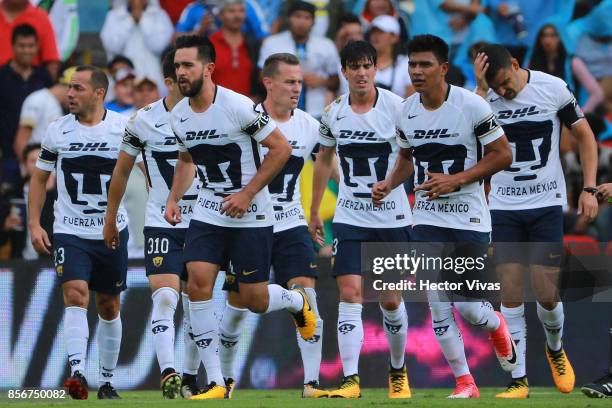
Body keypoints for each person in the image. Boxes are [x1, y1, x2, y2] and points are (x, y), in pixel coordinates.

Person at [166, 35, 315, 399]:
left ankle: (297, 301)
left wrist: (248, 194)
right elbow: (187, 160)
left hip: (252, 216)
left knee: (255, 300)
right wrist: (173, 197)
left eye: (188, 65)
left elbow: (281, 149)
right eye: (177, 66)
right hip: (208, 212)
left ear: (209, 68)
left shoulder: (239, 107)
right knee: (197, 284)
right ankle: (216, 381)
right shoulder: (178, 115)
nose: (181, 73)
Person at [373, 34, 517, 398]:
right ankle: (465, 381)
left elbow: (502, 155)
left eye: (424, 64)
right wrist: (390, 184)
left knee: (469, 308)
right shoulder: (405, 110)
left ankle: (496, 323)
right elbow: (407, 158)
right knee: (437, 303)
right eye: (412, 64)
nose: (417, 71)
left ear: (444, 68)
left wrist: (457, 179)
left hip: (469, 218)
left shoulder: (471, 106)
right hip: (426, 219)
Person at [474, 44, 599, 398]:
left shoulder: (552, 87)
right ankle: (518, 379)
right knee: (511, 290)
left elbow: (585, 136)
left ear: (515, 65)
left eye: (505, 84)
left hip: (546, 203)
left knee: (545, 292)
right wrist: (482, 90)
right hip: (503, 205)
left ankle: (555, 348)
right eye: (495, 87)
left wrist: (588, 188)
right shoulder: (481, 100)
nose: (503, 92)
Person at [217, 53, 326, 398]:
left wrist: (315, 211)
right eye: (290, 82)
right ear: (268, 83)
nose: (297, 89)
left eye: (300, 82)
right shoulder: (245, 119)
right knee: (240, 307)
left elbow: (326, 163)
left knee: (308, 296)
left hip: (291, 223)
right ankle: (227, 379)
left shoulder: (310, 125)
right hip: (249, 226)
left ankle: (312, 383)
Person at [309, 40, 412, 399]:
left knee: (389, 299)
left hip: (392, 217)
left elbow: (411, 158)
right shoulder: (334, 112)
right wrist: (314, 212)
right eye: (354, 66)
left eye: (367, 65)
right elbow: (323, 160)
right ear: (344, 72)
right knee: (349, 293)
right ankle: (350, 380)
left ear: (375, 69)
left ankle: (398, 369)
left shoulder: (398, 108)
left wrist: (392, 183)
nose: (361, 72)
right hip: (351, 217)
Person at [103, 50, 202, 399]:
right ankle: (169, 372)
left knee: (199, 303)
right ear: (170, 81)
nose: (190, 78)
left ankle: (192, 376)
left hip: (204, 221)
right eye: (182, 73)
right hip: (162, 220)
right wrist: (110, 217)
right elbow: (122, 170)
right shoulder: (142, 121)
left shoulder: (211, 115)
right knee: (164, 297)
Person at [28, 65, 129, 400]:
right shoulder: (57, 131)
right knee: (74, 293)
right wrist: (34, 222)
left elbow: (147, 171)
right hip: (69, 230)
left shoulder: (123, 129)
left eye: (78, 88)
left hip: (111, 229)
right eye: (69, 88)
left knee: (109, 305)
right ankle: (78, 372)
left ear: (99, 93)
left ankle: (108, 380)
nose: (70, 94)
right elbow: (40, 179)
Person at [258, 1, 339, 119]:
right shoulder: (271, 43)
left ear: (313, 21)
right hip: (279, 110)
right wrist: (284, 79)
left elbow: (336, 81)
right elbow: (260, 77)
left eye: (307, 17)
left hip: (317, 112)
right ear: (289, 18)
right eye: (297, 16)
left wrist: (322, 82)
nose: (301, 22)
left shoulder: (326, 45)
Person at [0, 23, 52, 191]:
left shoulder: (44, 76)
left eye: (31, 46)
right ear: (13, 46)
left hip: (40, 157)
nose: (27, 50)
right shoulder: (2, 76)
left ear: (37, 47)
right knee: (11, 207)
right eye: (22, 46)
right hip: (7, 155)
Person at [528, 24, 604, 114]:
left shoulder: (572, 62)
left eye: (552, 35)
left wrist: (580, 115)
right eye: (544, 36)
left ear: (560, 38)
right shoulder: (532, 63)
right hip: (542, 114)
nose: (547, 40)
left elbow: (597, 94)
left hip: (568, 114)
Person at [100, 0, 174, 90]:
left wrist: (142, 20)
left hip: (153, 78)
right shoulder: (113, 15)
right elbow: (113, 46)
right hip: (124, 79)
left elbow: (159, 46)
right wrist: (130, 21)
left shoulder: (160, 15)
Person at [13, 66, 74, 160]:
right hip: (34, 164)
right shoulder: (39, 99)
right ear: (69, 88)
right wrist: (25, 169)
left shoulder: (54, 103)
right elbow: (21, 140)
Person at [208, 0, 260, 98]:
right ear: (220, 15)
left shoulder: (252, 44)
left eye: (241, 11)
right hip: (214, 107)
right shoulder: (209, 44)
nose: (237, 15)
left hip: (246, 108)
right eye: (231, 11)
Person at [0, 0, 60, 77]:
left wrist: (46, 86)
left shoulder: (41, 18)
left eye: (30, 46)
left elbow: (51, 63)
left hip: (31, 85)